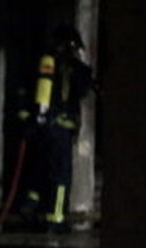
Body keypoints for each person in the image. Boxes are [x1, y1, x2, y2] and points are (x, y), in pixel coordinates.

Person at [15, 25, 96, 232]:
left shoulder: (41, 63)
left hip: (41, 128)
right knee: (61, 176)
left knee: (40, 168)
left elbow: (28, 92)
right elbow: (84, 87)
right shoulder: (72, 68)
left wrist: (30, 120)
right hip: (60, 129)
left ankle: (30, 205)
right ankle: (55, 218)